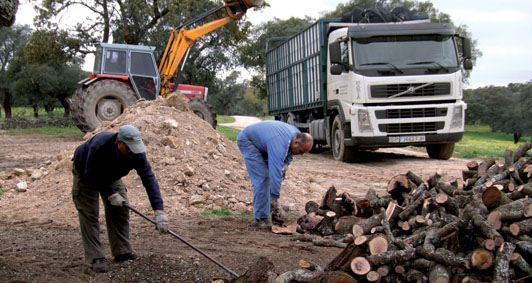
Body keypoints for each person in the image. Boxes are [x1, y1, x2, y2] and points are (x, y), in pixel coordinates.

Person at [72, 125, 169, 273]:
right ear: (119, 142)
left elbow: (148, 178)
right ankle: (96, 257)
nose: (132, 153)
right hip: (86, 173)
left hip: (112, 175)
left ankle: (122, 251)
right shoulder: (100, 145)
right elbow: (91, 173)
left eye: (135, 148)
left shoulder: (136, 153)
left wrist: (159, 210)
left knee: (121, 209)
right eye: (129, 148)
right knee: (90, 214)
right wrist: (110, 193)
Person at [237, 120, 313, 229]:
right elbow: (275, 171)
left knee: (274, 176)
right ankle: (260, 218)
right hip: (248, 141)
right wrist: (275, 198)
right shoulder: (279, 143)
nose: (300, 155)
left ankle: (268, 208)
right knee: (262, 178)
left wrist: (285, 165)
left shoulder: (295, 135)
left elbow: (288, 155)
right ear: (296, 142)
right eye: (301, 151)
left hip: (264, 142)